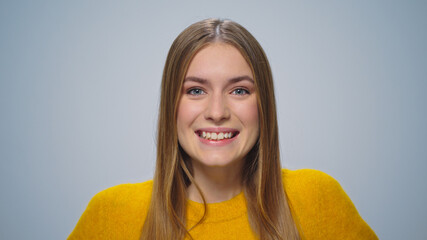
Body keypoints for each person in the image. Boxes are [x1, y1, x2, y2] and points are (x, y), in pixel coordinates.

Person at [68, 19, 378, 240]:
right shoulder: (110, 216)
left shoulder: (318, 201)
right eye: (195, 91)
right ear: (171, 107)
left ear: (264, 105)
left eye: (239, 91)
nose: (217, 113)